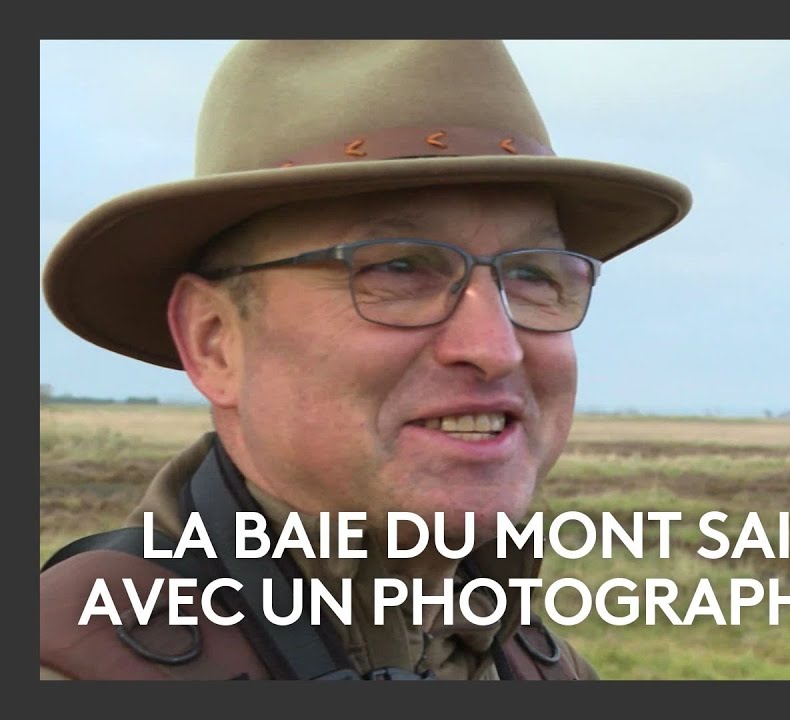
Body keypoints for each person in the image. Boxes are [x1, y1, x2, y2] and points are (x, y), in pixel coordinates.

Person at [38, 40, 692, 680]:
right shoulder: (73, 666)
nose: (495, 347)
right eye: (399, 267)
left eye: (533, 274)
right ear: (216, 341)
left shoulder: (536, 664)